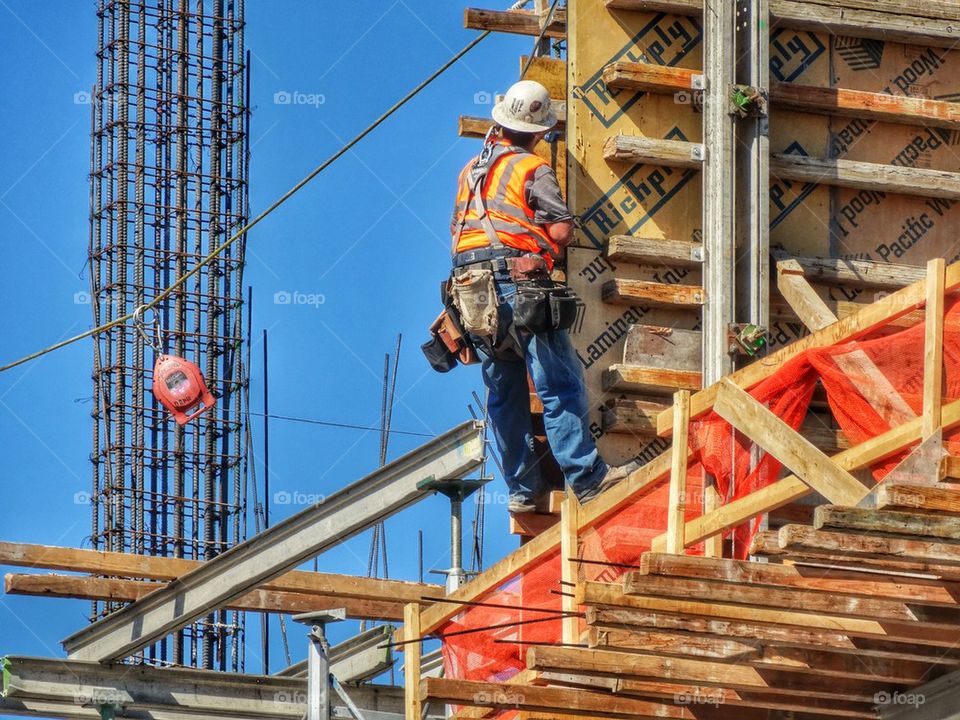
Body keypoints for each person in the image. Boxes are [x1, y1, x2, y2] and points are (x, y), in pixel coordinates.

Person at [449, 80, 636, 514]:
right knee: (559, 382)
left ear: (501, 124)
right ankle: (588, 479)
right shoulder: (533, 168)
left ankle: (521, 490)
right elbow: (560, 231)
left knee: (504, 393)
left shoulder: (469, 169)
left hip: (471, 292)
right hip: (517, 282)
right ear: (538, 132)